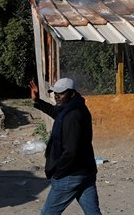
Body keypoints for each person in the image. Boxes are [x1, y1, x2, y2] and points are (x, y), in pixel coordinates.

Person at [30, 78, 102, 215]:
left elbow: (71, 151)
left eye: (61, 93)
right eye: (55, 93)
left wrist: (58, 172)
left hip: (71, 175)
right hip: (85, 172)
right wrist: (37, 100)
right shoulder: (73, 108)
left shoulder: (72, 116)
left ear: (72, 93)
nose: (57, 96)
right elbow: (56, 113)